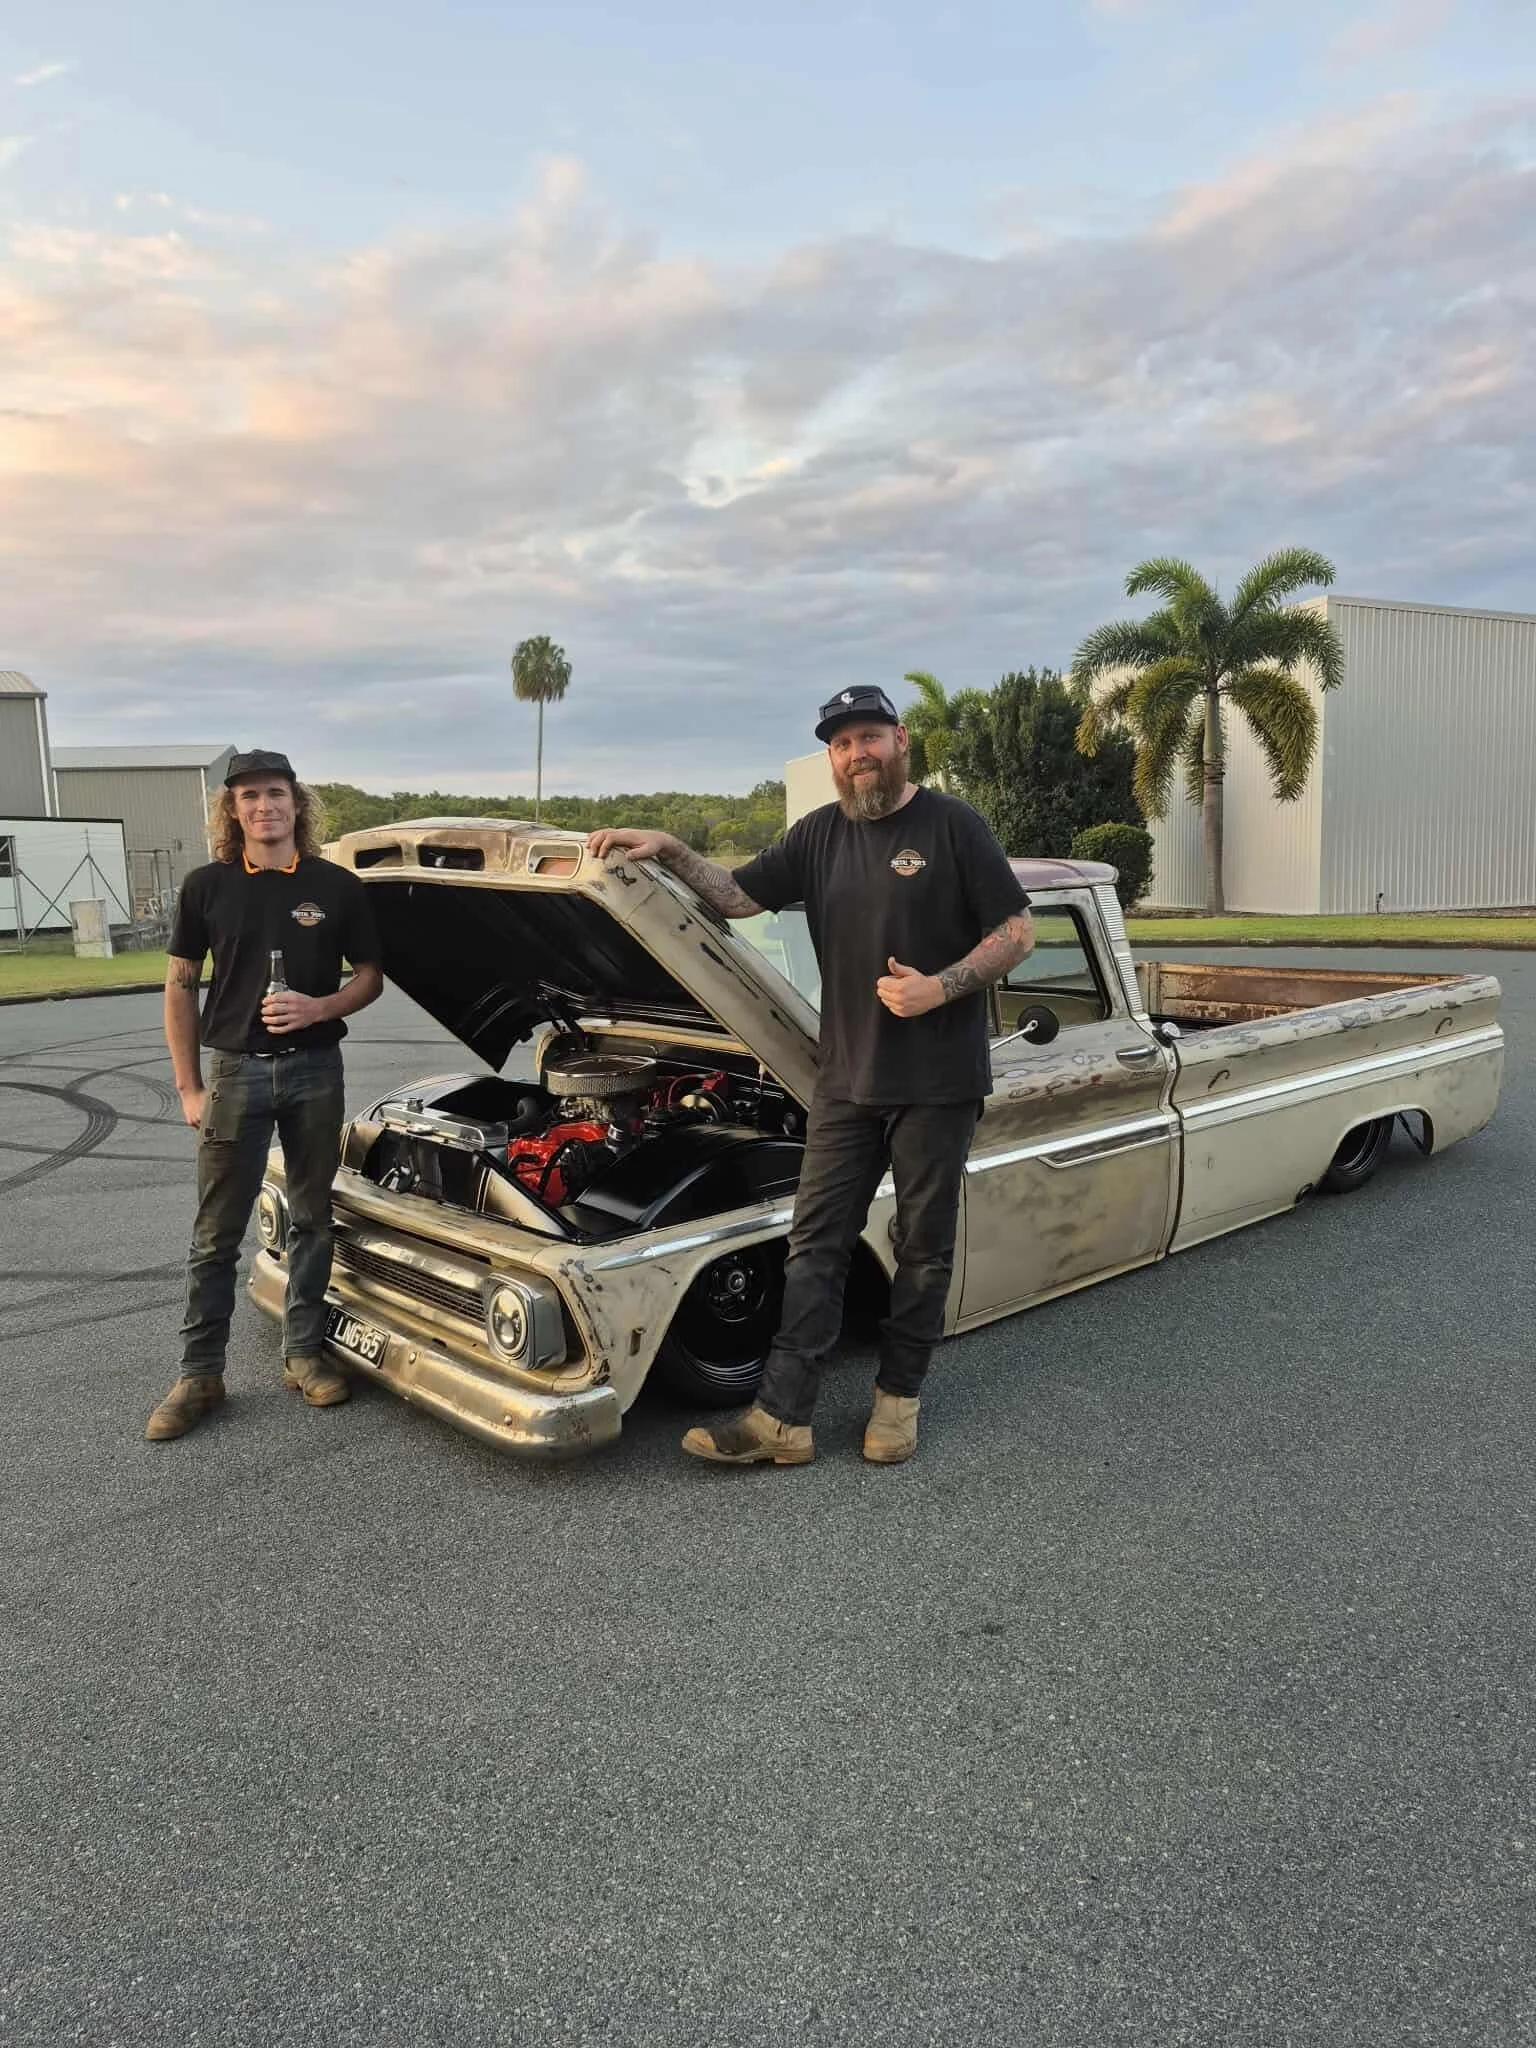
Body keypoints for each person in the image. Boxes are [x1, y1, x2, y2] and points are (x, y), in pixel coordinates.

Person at [588, 685, 1033, 1467]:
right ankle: (782, 1420)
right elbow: (733, 896)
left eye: (868, 738)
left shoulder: (954, 824)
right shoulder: (819, 835)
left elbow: (1017, 928)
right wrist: (668, 847)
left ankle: (898, 1402)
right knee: (814, 1244)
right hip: (846, 1079)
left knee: (923, 1247)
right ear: (831, 758)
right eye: (841, 744)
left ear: (900, 740)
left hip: (937, 1082)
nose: (856, 754)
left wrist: (943, 986)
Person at [145, 750, 384, 1442]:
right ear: (233, 810)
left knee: (313, 1216)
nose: (263, 807)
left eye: (275, 793)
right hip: (234, 1074)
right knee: (216, 1233)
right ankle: (199, 1375)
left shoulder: (335, 887)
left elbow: (370, 976)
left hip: (315, 1069)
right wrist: (189, 1084)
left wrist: (318, 1008)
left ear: (296, 803)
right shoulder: (206, 887)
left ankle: (304, 1354)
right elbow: (180, 985)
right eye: (248, 797)